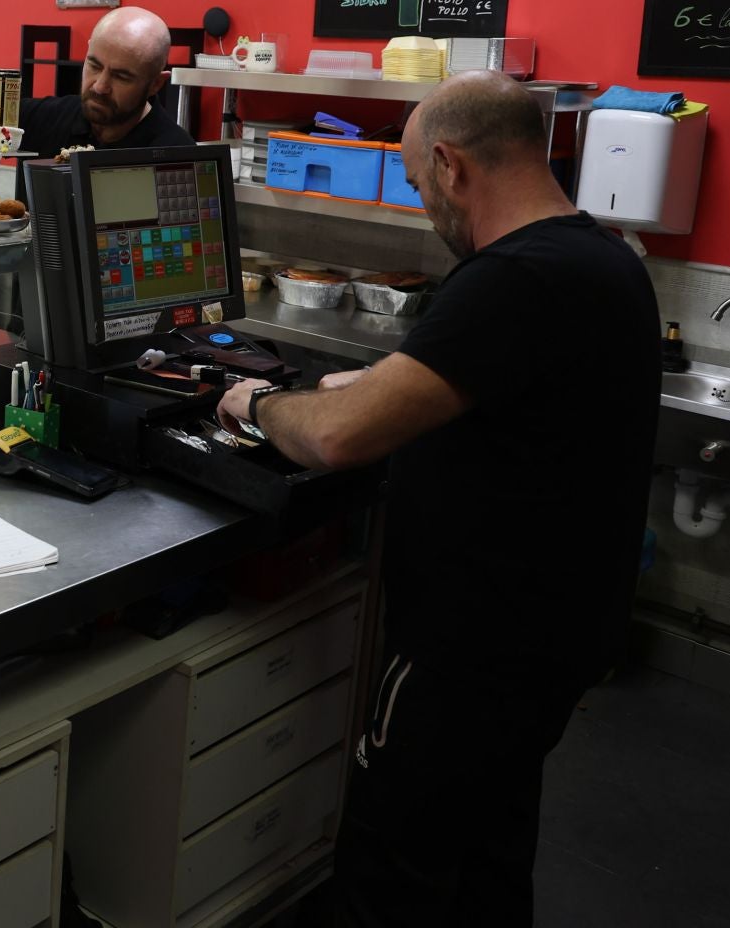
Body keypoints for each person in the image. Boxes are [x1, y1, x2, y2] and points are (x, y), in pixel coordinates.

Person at [214, 73, 659, 926]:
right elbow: (492, 386)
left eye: (419, 185)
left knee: (396, 868)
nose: (426, 207)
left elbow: (339, 439)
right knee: (489, 853)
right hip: (561, 640)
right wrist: (379, 381)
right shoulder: (604, 259)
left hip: (470, 652)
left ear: (451, 165)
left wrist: (259, 405)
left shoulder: (509, 280)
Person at [0, 5, 195, 157]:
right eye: (94, 66)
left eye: (121, 76)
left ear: (155, 84)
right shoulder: (49, 119)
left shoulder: (175, 154)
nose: (99, 85)